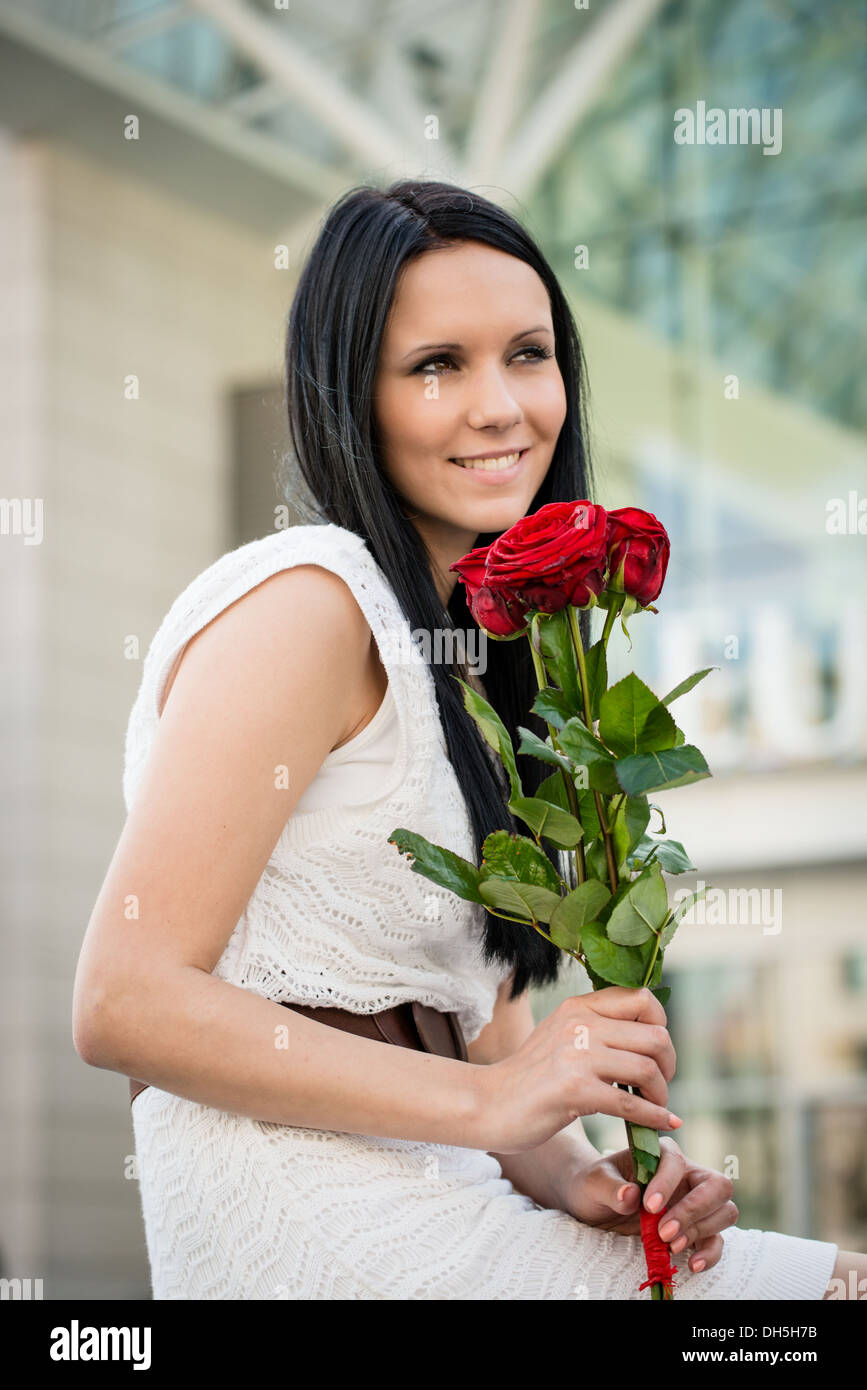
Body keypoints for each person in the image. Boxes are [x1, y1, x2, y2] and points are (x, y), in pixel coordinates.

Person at [72, 179, 859, 1300]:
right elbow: (123, 999)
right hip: (326, 1229)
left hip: (450, 1199)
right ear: (354, 395)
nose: (500, 407)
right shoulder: (312, 601)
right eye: (438, 364)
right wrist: (495, 1105)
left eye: (528, 355)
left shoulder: (479, 653)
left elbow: (472, 1036)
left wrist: (585, 1170)